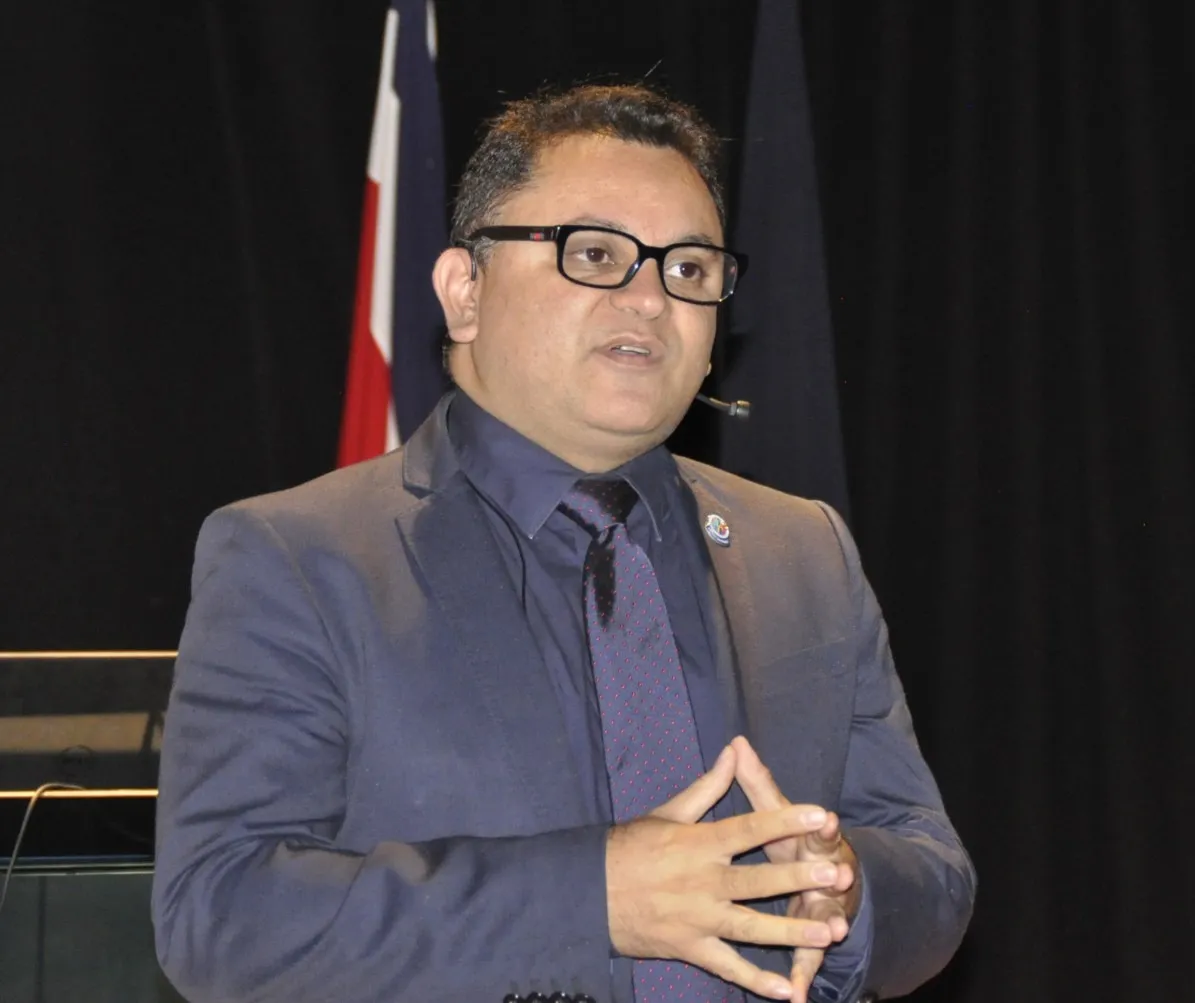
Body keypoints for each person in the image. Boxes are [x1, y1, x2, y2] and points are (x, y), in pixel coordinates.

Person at [152, 83, 975, 1003]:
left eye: (689, 268)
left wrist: (845, 886)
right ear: (465, 291)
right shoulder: (298, 560)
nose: (650, 298)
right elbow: (220, 915)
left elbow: (934, 875)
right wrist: (597, 897)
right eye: (595, 254)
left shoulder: (802, 552)